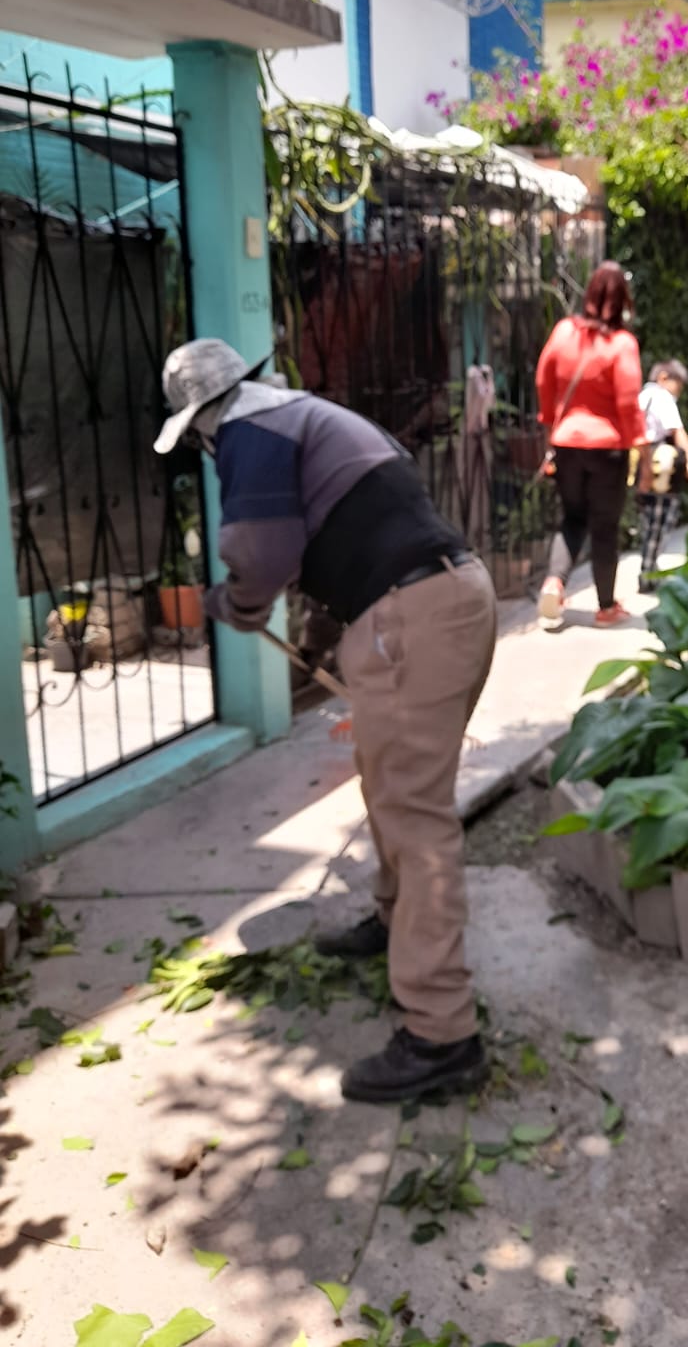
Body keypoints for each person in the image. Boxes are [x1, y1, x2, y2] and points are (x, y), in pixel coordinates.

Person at [153, 339, 496, 1105]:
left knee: (414, 816)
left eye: (199, 442)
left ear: (202, 419)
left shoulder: (247, 429)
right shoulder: (304, 414)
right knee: (393, 788)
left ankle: (442, 1035)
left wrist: (232, 603)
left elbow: (260, 552)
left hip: (411, 617)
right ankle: (392, 920)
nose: (209, 455)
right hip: (450, 599)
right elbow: (333, 531)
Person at [535, 262, 646, 629]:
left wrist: (551, 423)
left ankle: (554, 583)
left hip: (566, 443)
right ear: (623, 302)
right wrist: (642, 452)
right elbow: (629, 402)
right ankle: (605, 607)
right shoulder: (622, 344)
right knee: (604, 526)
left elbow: (543, 379)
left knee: (572, 519)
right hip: (607, 449)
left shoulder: (564, 331)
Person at [634, 359, 688, 593]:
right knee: (661, 519)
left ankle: (648, 570)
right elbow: (677, 430)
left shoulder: (641, 396)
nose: (679, 393)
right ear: (664, 377)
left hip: (640, 460)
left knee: (648, 521)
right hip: (660, 463)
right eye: (679, 385)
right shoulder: (661, 396)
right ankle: (648, 573)